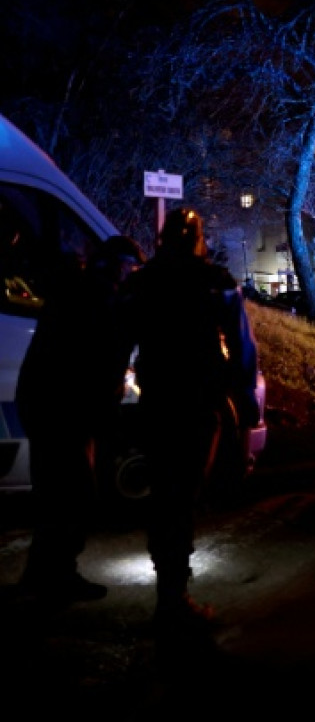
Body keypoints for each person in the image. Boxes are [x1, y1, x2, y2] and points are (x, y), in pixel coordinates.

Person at [122, 207, 260, 636]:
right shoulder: (216, 283)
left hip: (158, 401)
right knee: (181, 494)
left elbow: (118, 340)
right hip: (198, 402)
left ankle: (169, 589)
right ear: (199, 238)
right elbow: (241, 347)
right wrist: (246, 402)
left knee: (166, 492)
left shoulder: (142, 282)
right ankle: (173, 599)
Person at [17, 235, 145, 607]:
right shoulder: (97, 300)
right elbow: (101, 361)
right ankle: (52, 578)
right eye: (130, 268)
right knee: (71, 493)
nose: (131, 276)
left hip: (49, 405)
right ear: (116, 265)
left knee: (57, 493)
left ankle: (44, 576)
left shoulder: (82, 291)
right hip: (62, 410)